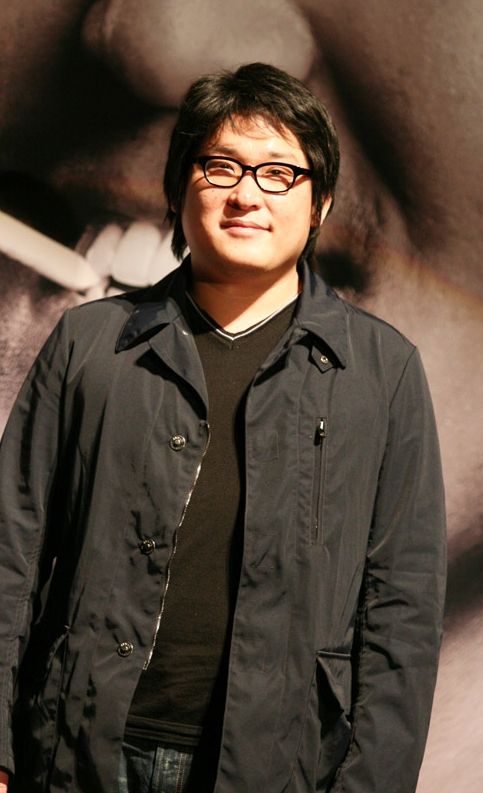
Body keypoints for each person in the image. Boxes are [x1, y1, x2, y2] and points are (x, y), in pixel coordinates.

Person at [0, 62, 446, 792]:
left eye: (279, 173)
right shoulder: (88, 342)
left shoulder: (383, 370)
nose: (247, 194)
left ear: (320, 203)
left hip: (275, 768)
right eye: (221, 166)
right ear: (179, 189)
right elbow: (10, 550)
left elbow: (403, 609)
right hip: (78, 752)